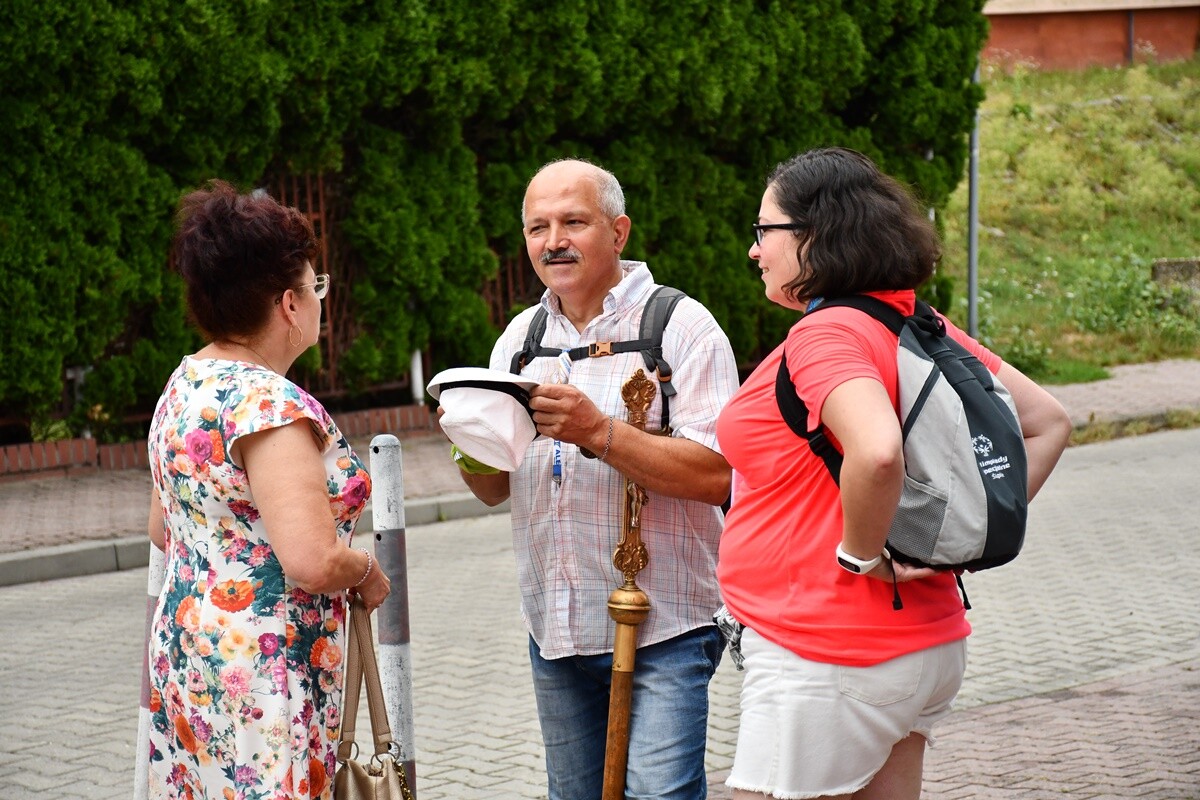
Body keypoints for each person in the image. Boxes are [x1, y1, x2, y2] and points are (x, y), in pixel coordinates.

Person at [715, 147, 1072, 800]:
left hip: (830, 653)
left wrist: (860, 557)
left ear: (814, 235)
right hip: (923, 646)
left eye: (764, 230)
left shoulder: (826, 336)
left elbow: (878, 451)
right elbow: (1048, 422)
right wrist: (957, 543)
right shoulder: (915, 321)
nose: (753, 250)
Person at [455, 158, 740, 799]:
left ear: (619, 231)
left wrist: (598, 432)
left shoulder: (681, 327)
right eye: (537, 227)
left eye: (573, 222)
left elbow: (718, 473)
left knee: (657, 795)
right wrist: (467, 443)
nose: (553, 240)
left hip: (669, 622)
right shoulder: (519, 341)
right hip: (554, 625)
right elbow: (494, 486)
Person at [144, 180, 390, 800]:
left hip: (189, 652)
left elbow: (161, 528)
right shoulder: (269, 405)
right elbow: (311, 560)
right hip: (264, 672)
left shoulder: (186, 383)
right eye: (317, 287)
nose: (318, 301)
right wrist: (364, 570)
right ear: (288, 303)